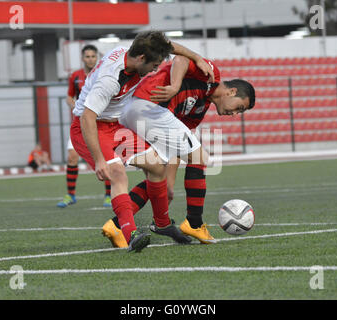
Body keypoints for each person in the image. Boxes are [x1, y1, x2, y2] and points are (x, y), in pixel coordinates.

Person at [70, 31, 215, 252]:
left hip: (113, 126)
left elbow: (168, 45)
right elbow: (87, 116)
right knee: (118, 174)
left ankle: (163, 224)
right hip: (87, 127)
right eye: (154, 64)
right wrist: (99, 160)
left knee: (157, 167)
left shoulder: (135, 54)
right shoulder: (111, 79)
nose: (156, 69)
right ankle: (129, 233)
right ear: (141, 59)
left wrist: (197, 58)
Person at [102, 55, 255, 248]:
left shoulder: (199, 108)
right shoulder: (211, 76)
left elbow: (176, 146)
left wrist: (170, 183)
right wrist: (175, 86)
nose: (234, 114)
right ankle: (194, 222)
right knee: (200, 156)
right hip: (147, 104)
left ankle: (116, 226)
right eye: (239, 108)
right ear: (232, 92)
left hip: (136, 112)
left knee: (159, 178)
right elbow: (180, 60)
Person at [57, 44, 113, 208]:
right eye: (87, 56)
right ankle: (70, 195)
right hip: (80, 123)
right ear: (82, 58)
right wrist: (77, 108)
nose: (90, 59)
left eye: (93, 56)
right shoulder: (75, 76)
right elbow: (69, 98)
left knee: (107, 158)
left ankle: (109, 195)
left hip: (100, 124)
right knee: (72, 157)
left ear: (97, 58)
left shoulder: (103, 74)